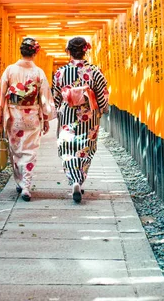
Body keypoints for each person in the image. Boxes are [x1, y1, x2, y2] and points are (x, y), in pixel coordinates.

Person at [0, 38, 56, 201]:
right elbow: (45, 97)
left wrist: (0, 115)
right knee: (30, 151)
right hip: (32, 115)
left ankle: (21, 183)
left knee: (16, 150)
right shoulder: (38, 72)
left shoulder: (10, 70)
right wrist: (46, 118)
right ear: (35, 53)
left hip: (14, 115)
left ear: (21, 51)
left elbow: (1, 94)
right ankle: (26, 185)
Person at [52, 37, 109, 203]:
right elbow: (102, 94)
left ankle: (73, 179)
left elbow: (56, 96)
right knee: (86, 146)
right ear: (86, 50)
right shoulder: (94, 71)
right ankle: (79, 178)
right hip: (88, 116)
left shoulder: (60, 72)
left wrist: (56, 110)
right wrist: (102, 110)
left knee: (68, 147)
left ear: (68, 51)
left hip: (68, 115)